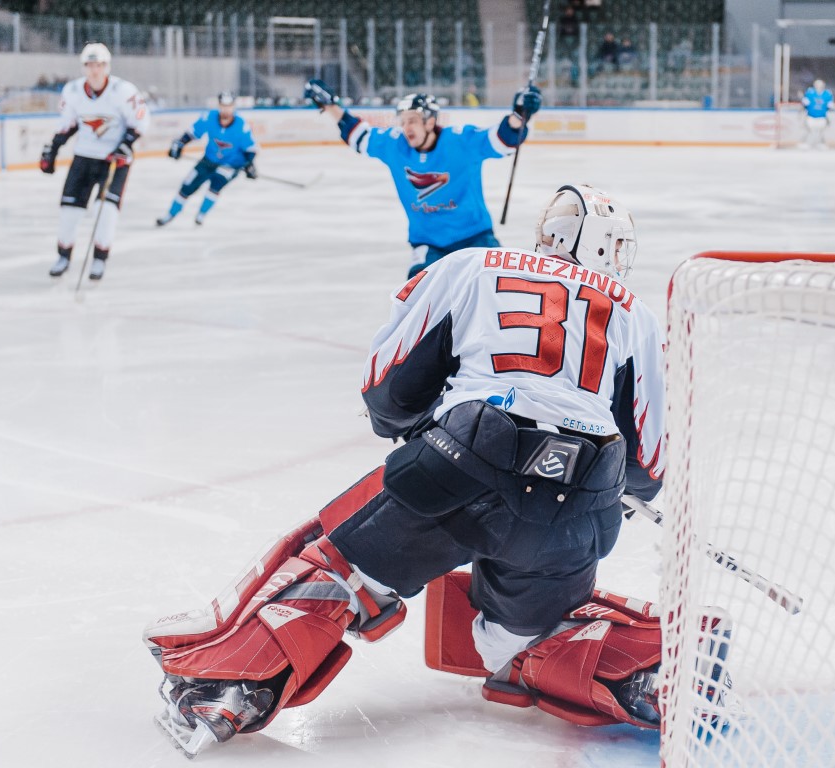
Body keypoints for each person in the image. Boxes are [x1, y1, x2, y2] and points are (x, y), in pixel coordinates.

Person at [143, 184, 684, 757]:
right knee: (520, 640)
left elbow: (389, 390)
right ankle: (638, 677)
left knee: (341, 575)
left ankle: (228, 690)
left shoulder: (471, 266)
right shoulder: (636, 315)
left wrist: (421, 422)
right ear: (609, 249)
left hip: (461, 467)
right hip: (580, 504)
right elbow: (649, 467)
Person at [304, 79, 541, 277]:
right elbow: (358, 134)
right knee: (416, 302)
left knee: (501, 291)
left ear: (430, 121)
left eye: (413, 121)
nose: (407, 127)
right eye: (404, 121)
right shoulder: (395, 145)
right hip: (428, 245)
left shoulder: (460, 141)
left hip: (476, 238)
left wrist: (519, 115)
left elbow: (502, 139)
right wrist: (330, 105)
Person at [41, 42, 149, 280]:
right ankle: (64, 255)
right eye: (90, 65)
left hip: (114, 161)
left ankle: (99, 259)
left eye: (99, 65)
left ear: (107, 66)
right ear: (84, 67)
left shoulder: (123, 91)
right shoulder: (73, 91)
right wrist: (53, 149)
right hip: (84, 157)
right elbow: (68, 125)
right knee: (70, 210)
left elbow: (140, 121)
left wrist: (125, 144)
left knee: (106, 210)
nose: (95, 71)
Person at [156, 91, 259, 227]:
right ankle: (170, 214)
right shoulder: (209, 117)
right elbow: (192, 133)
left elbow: (250, 149)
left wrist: (249, 165)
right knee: (187, 186)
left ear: (233, 106)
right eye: (223, 106)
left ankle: (201, 214)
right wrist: (180, 145)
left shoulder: (242, 126)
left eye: (229, 106)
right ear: (219, 105)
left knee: (216, 184)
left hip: (230, 164)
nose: (225, 110)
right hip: (208, 160)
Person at [801, 79, 834, 149]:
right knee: (810, 131)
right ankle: (807, 143)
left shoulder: (827, 94)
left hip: (822, 117)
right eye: (817, 85)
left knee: (821, 132)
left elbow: (830, 107)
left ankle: (821, 144)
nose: (819, 86)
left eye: (820, 85)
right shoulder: (810, 92)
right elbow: (805, 104)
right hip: (811, 116)